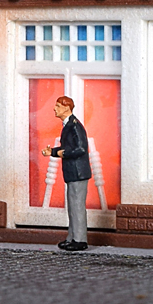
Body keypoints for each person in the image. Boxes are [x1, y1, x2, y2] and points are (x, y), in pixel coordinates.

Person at [45, 95, 92, 252]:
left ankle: (80, 240)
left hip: (78, 173)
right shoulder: (68, 125)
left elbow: (81, 149)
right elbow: (68, 147)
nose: (55, 108)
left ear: (66, 108)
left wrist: (62, 153)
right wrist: (52, 152)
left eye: (58, 106)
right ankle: (72, 237)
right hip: (73, 173)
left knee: (77, 206)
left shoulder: (75, 126)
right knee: (72, 207)